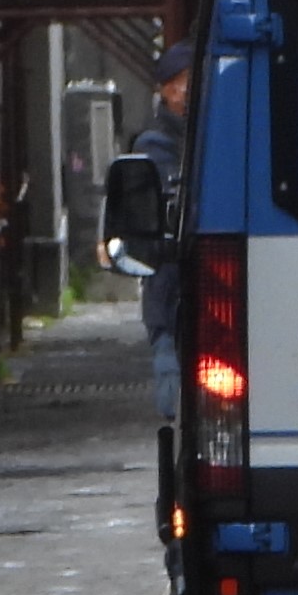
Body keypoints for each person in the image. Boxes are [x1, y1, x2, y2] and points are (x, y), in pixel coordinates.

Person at [123, 40, 193, 423]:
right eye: (180, 83)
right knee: (174, 405)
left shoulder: (219, 135)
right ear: (166, 90)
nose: (188, 91)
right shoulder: (154, 148)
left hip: (194, 291)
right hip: (168, 295)